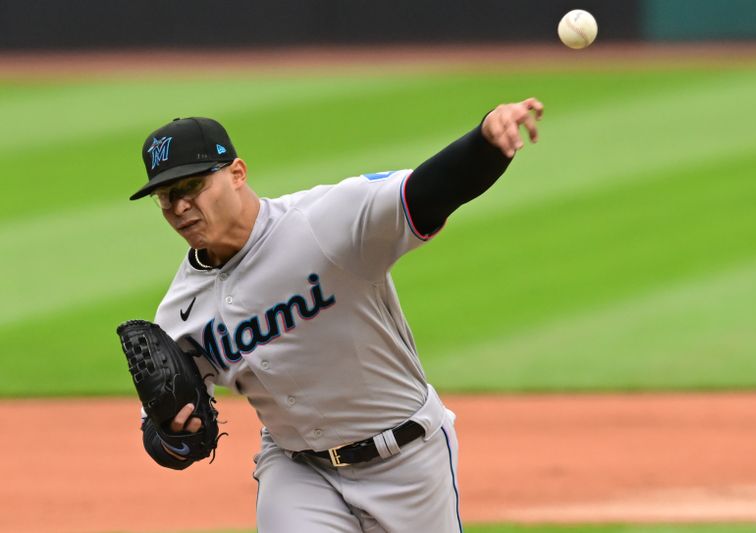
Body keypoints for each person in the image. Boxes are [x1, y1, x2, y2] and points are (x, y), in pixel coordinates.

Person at [128, 97, 543, 533]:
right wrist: (172, 437)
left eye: (190, 187)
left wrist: (486, 143)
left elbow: (424, 194)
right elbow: (160, 433)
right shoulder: (180, 310)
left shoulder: (322, 222)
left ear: (237, 173)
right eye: (164, 196)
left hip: (408, 460)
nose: (178, 207)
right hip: (298, 471)